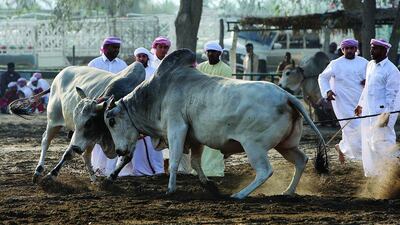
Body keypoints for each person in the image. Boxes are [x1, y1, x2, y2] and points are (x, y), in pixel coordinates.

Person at [355, 39, 400, 177]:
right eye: (371, 47)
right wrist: (360, 104)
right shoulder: (370, 65)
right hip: (369, 112)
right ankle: (376, 175)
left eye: (375, 48)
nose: (371, 51)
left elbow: (393, 96)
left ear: (384, 50)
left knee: (384, 143)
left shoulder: (392, 70)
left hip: (383, 114)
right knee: (370, 143)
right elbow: (367, 88)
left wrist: (387, 116)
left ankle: (395, 171)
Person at [318, 38, 368, 164]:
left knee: (361, 128)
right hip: (342, 101)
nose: (350, 50)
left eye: (352, 48)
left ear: (356, 49)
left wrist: (368, 81)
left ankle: (341, 148)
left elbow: (372, 77)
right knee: (351, 127)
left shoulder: (364, 62)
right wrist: (327, 91)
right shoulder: (335, 63)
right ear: (342, 50)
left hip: (361, 101)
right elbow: (323, 77)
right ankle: (363, 161)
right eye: (347, 48)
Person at [118, 47, 165, 176]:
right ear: (135, 58)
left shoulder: (154, 72)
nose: (141, 59)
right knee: (133, 140)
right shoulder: (129, 73)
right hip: (132, 112)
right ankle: (133, 169)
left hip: (150, 112)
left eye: (144, 56)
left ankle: (157, 169)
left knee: (152, 142)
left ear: (147, 58)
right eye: (139, 56)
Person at [88, 36, 128, 176]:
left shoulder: (122, 65)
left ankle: (111, 170)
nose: (116, 50)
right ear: (105, 48)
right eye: (113, 47)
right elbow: (88, 86)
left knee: (114, 138)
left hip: (115, 108)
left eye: (118, 48)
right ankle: (98, 169)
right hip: (98, 108)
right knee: (98, 138)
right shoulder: (94, 63)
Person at [196, 41, 233, 176]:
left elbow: (226, 90)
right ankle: (198, 169)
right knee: (200, 140)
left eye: (213, 52)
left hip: (218, 109)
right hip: (201, 110)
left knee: (215, 142)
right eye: (208, 51)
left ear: (219, 53)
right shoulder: (200, 68)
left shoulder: (225, 69)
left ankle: (214, 171)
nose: (211, 54)